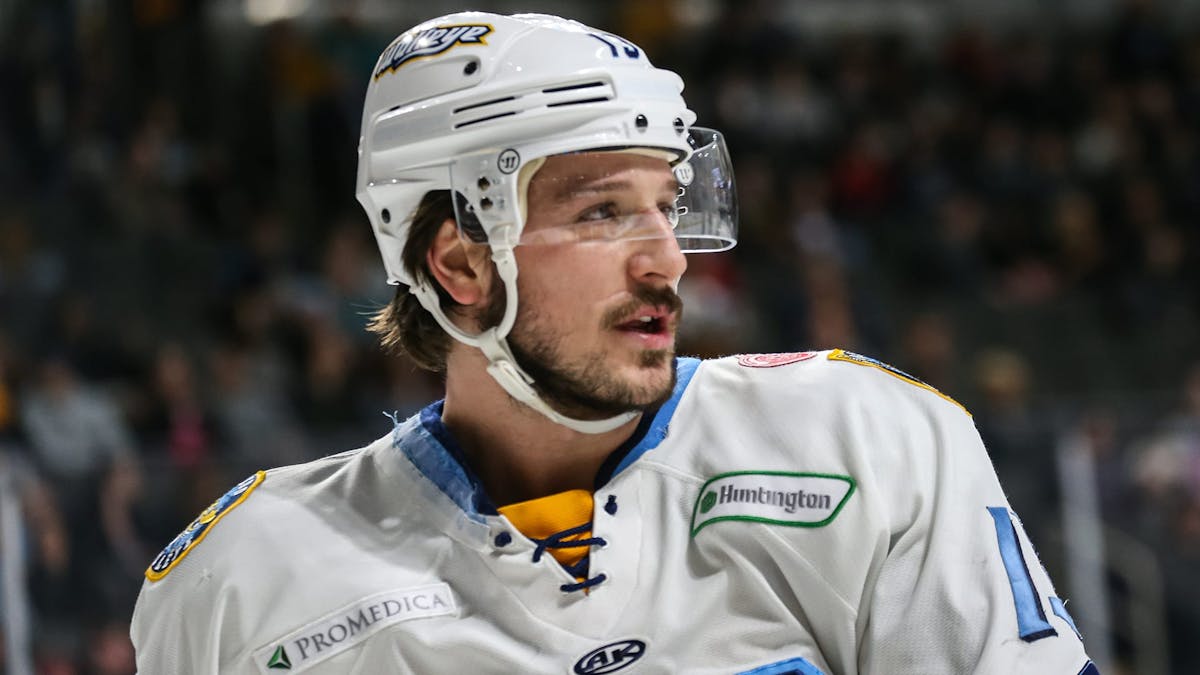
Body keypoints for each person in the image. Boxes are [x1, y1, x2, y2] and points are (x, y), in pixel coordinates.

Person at [131, 11, 1097, 674]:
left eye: (666, 207)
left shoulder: (863, 443)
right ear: (460, 263)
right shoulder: (248, 582)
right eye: (601, 212)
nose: (667, 260)